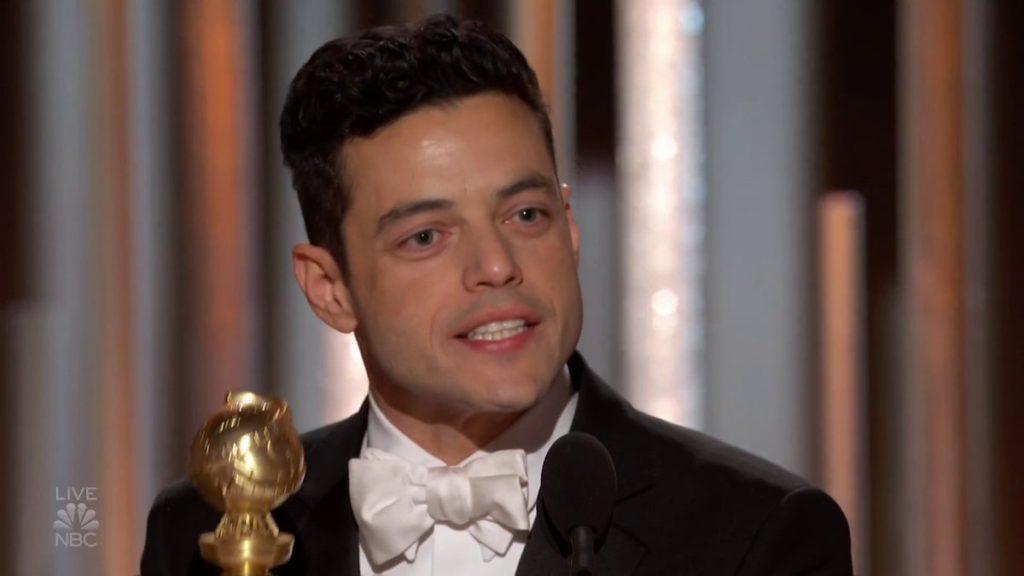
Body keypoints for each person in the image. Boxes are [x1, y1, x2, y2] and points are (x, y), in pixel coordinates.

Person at [141, 14, 852, 576]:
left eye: (525, 216)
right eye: (426, 237)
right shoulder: (203, 529)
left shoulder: (759, 536)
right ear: (330, 289)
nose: (496, 266)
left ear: (569, 229)